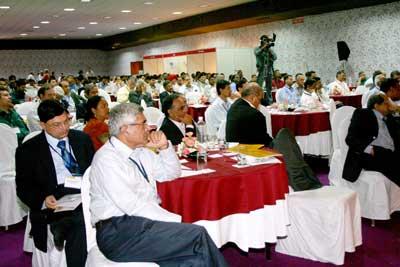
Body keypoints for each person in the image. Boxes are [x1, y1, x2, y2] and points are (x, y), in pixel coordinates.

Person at [90, 103, 228, 266]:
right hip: (118, 232)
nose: (148, 128)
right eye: (143, 123)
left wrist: (164, 147)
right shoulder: (107, 160)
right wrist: (174, 221)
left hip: (141, 223)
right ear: (125, 129)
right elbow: (133, 206)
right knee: (197, 234)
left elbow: (170, 174)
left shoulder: (140, 151)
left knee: (194, 260)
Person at [16, 100, 94, 267]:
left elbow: (94, 171)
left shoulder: (82, 139)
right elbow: (23, 188)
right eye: (56, 124)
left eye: (66, 121)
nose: (64, 128)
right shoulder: (28, 150)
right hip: (55, 198)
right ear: (42, 124)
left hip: (85, 192)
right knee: (80, 225)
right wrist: (43, 199)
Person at [226, 83, 322, 191]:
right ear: (253, 97)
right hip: (251, 151)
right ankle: (301, 176)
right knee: (286, 136)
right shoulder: (254, 114)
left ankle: (300, 173)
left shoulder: (234, 106)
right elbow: (264, 141)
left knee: (286, 140)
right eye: (260, 99)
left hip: (235, 148)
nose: (260, 103)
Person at [343, 93, 400, 186]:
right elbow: (350, 139)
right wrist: (370, 150)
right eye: (386, 103)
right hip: (374, 154)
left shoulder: (389, 118)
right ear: (376, 105)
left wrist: (397, 109)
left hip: (391, 152)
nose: (390, 105)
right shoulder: (363, 114)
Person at [254, 34, 277, 105]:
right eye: (264, 40)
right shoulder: (257, 49)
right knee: (259, 86)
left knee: (269, 88)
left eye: (267, 41)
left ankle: (269, 102)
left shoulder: (268, 50)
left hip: (269, 70)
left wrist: (269, 49)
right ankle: (258, 101)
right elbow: (257, 53)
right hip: (261, 70)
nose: (266, 42)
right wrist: (264, 47)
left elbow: (275, 57)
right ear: (261, 41)